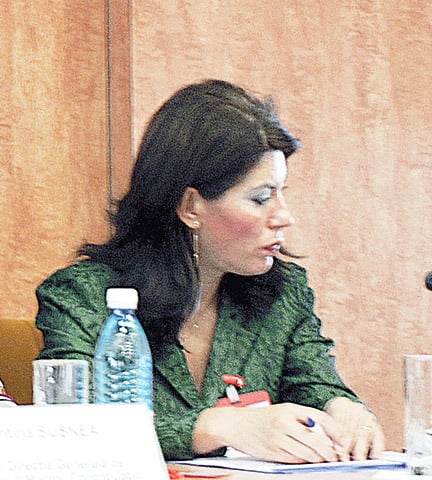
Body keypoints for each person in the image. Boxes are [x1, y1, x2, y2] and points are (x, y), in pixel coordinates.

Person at [35, 79, 385, 463]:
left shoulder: (284, 293)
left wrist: (344, 409)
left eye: (282, 193)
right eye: (261, 198)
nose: (284, 217)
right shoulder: (82, 298)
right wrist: (218, 427)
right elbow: (73, 431)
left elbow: (316, 385)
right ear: (191, 207)